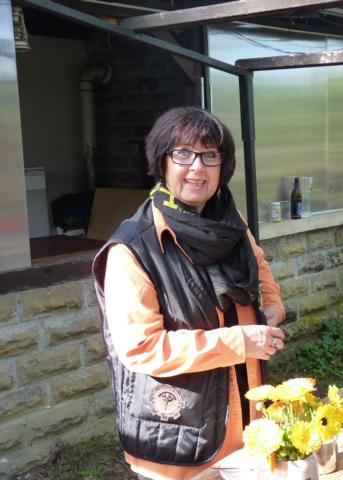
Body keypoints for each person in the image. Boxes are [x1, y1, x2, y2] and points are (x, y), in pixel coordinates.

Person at [92, 106, 286, 480]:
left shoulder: (230, 222)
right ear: (161, 162)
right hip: (179, 436)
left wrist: (272, 306)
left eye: (210, 155)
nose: (197, 167)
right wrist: (239, 341)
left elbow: (260, 267)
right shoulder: (133, 249)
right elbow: (142, 348)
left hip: (246, 416)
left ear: (223, 166)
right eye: (183, 153)